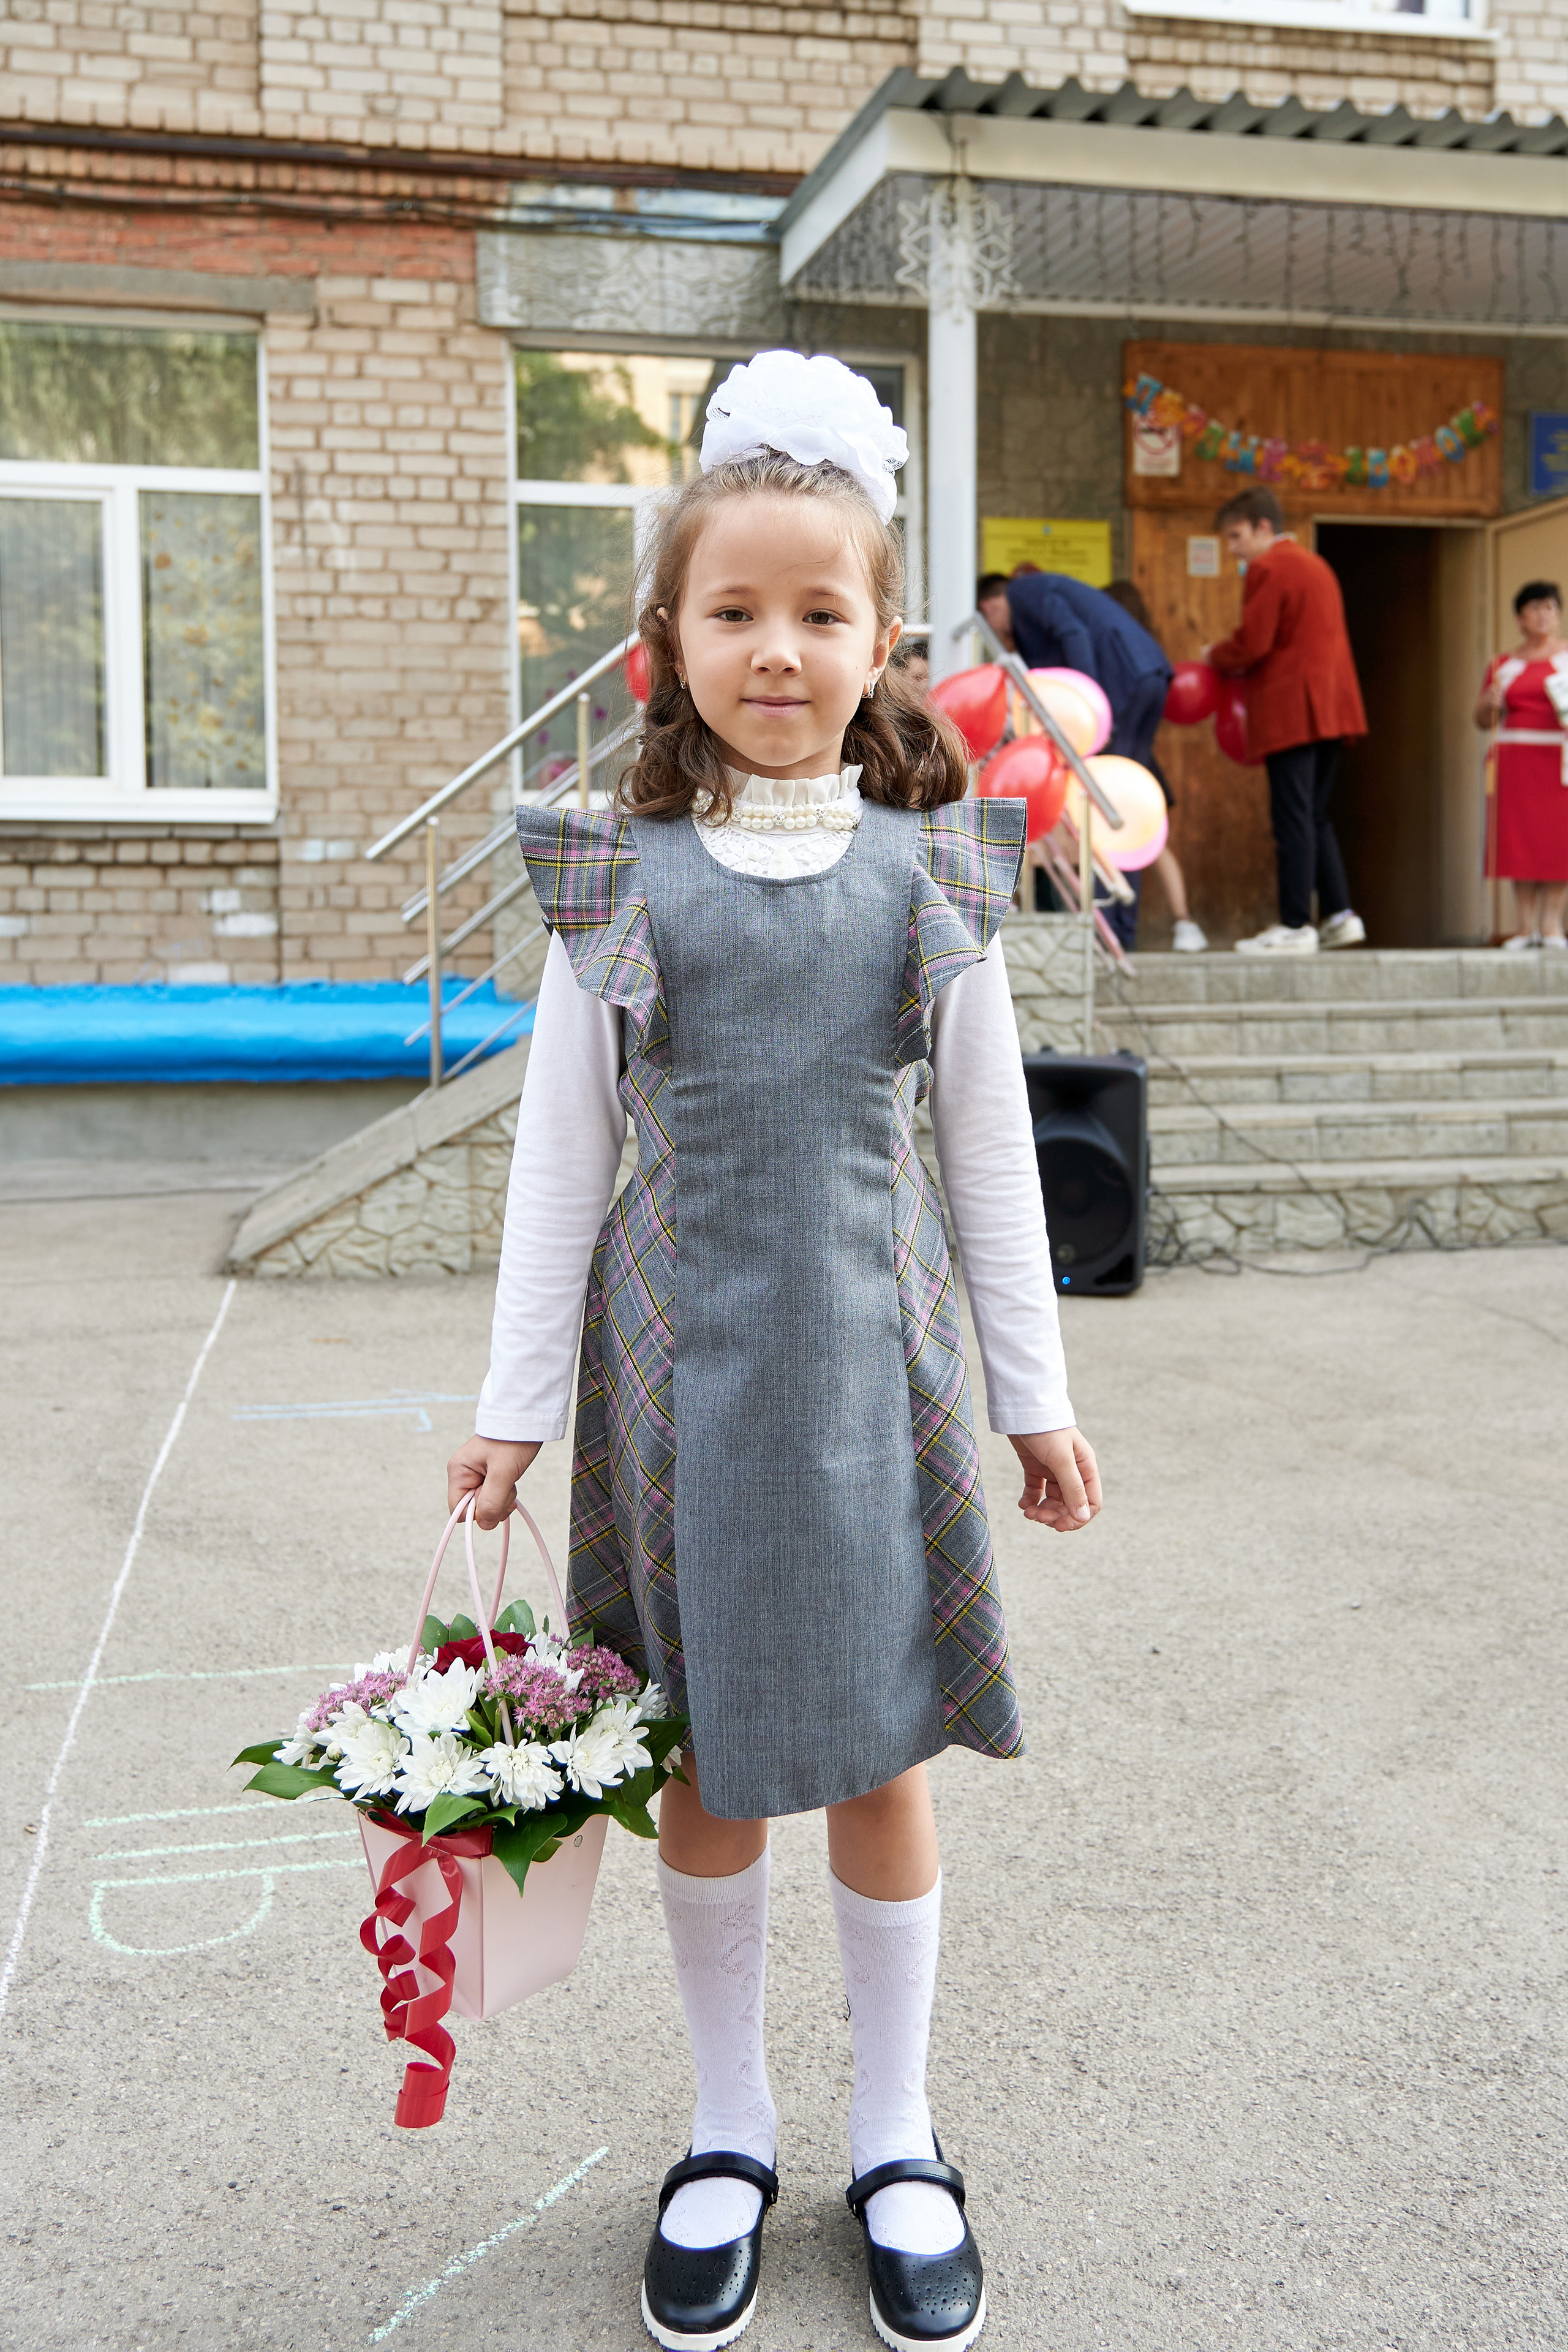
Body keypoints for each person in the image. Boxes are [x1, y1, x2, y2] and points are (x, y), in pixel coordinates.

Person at [447, 352, 1101, 2352]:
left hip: (874, 1386)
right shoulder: (617, 881)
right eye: (734, 609)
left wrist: (1036, 1397)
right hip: (678, 1387)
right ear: (669, 642)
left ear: (880, 635)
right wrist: (506, 1419)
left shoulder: (932, 873)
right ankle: (728, 2130)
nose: (778, 646)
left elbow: (990, 1149)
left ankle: (894, 2139)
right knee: (709, 1764)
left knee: (883, 1757)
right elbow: (561, 1161)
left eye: (820, 611)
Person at [1203, 485, 1369, 957]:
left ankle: (1296, 924)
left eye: (1236, 537)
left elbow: (1254, 643)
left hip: (1292, 709)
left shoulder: (1269, 566)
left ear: (1263, 527)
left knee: (1292, 818)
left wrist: (1214, 654)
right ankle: (1340, 914)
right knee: (1314, 815)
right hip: (1333, 708)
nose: (1233, 549)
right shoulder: (1315, 564)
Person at [976, 565, 1172, 951]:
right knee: (1118, 808)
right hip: (1149, 674)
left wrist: (1089, 703)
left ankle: (1111, 931)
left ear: (990, 606)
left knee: (1103, 806)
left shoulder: (1025, 593)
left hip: (1124, 680)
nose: (1003, 639)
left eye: (994, 628)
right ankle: (1121, 933)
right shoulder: (1038, 597)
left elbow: (1073, 633)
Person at [1101, 578, 1208, 952]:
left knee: (1116, 840)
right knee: (1155, 842)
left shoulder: (1113, 646)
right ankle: (1185, 922)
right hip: (1145, 763)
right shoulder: (1146, 645)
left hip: (1120, 764)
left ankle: (1115, 928)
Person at [1474, 579, 1568, 949]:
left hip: (1558, 759)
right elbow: (1482, 720)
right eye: (1534, 608)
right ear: (1520, 618)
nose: (1543, 615)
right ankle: (1524, 926)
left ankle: (1552, 926)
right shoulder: (1503, 665)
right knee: (1519, 840)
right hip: (1514, 759)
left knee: (1557, 838)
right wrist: (1487, 702)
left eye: (1550, 607)